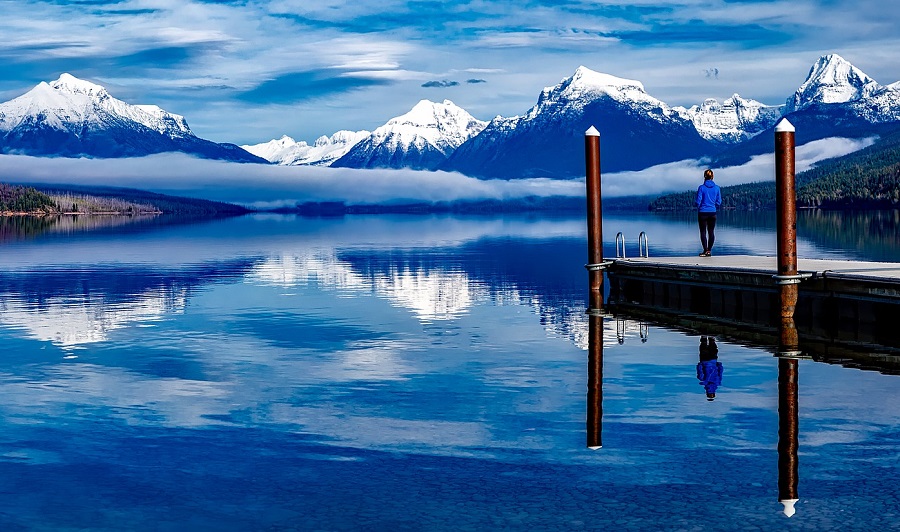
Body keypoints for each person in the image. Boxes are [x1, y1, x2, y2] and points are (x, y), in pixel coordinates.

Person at [695, 168, 722, 257]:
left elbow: (698, 201)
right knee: (711, 232)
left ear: (704, 177)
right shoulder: (717, 188)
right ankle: (709, 251)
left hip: (702, 213)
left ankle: (705, 250)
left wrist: (699, 206)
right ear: (712, 177)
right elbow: (719, 202)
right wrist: (713, 205)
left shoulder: (701, 188)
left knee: (703, 232)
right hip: (712, 213)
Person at [696, 336, 723, 401]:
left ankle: (711, 338)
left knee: (713, 347)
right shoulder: (703, 381)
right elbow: (700, 371)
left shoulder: (718, 382)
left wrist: (719, 365)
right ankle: (704, 337)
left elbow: (720, 372)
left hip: (713, 361)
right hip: (704, 360)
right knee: (703, 346)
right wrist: (700, 364)